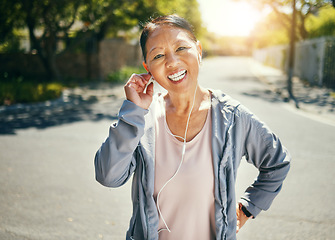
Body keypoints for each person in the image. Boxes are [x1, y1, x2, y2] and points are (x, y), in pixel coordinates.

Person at [94, 15, 291, 240]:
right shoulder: (143, 117)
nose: (172, 62)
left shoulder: (233, 118)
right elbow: (108, 176)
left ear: (198, 50)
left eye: (181, 48)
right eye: (158, 55)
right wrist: (133, 112)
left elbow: (277, 163)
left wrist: (248, 208)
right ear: (147, 68)